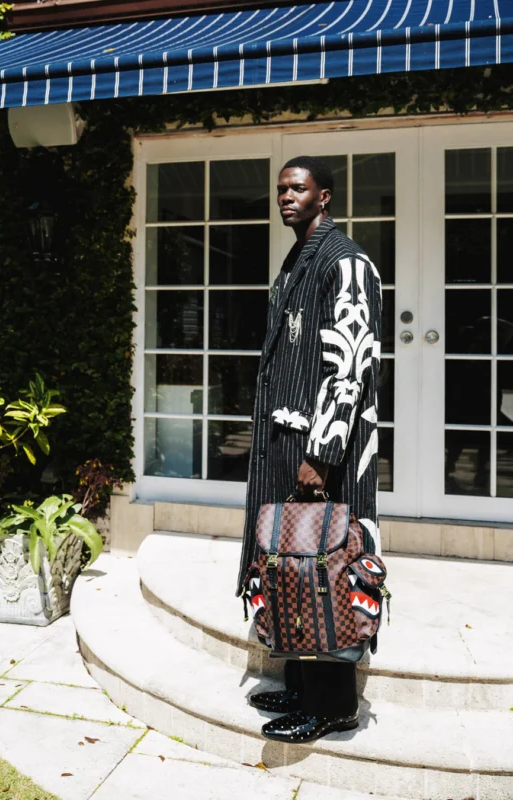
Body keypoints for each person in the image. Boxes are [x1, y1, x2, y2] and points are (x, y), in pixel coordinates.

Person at [237, 156, 382, 743]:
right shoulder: (297, 259)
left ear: (324, 197)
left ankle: (334, 707)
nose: (286, 197)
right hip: (286, 446)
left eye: (298, 188)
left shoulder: (346, 261)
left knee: (324, 572)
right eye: (280, 189)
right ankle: (301, 685)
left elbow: (350, 366)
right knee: (289, 567)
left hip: (324, 455)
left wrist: (321, 453)